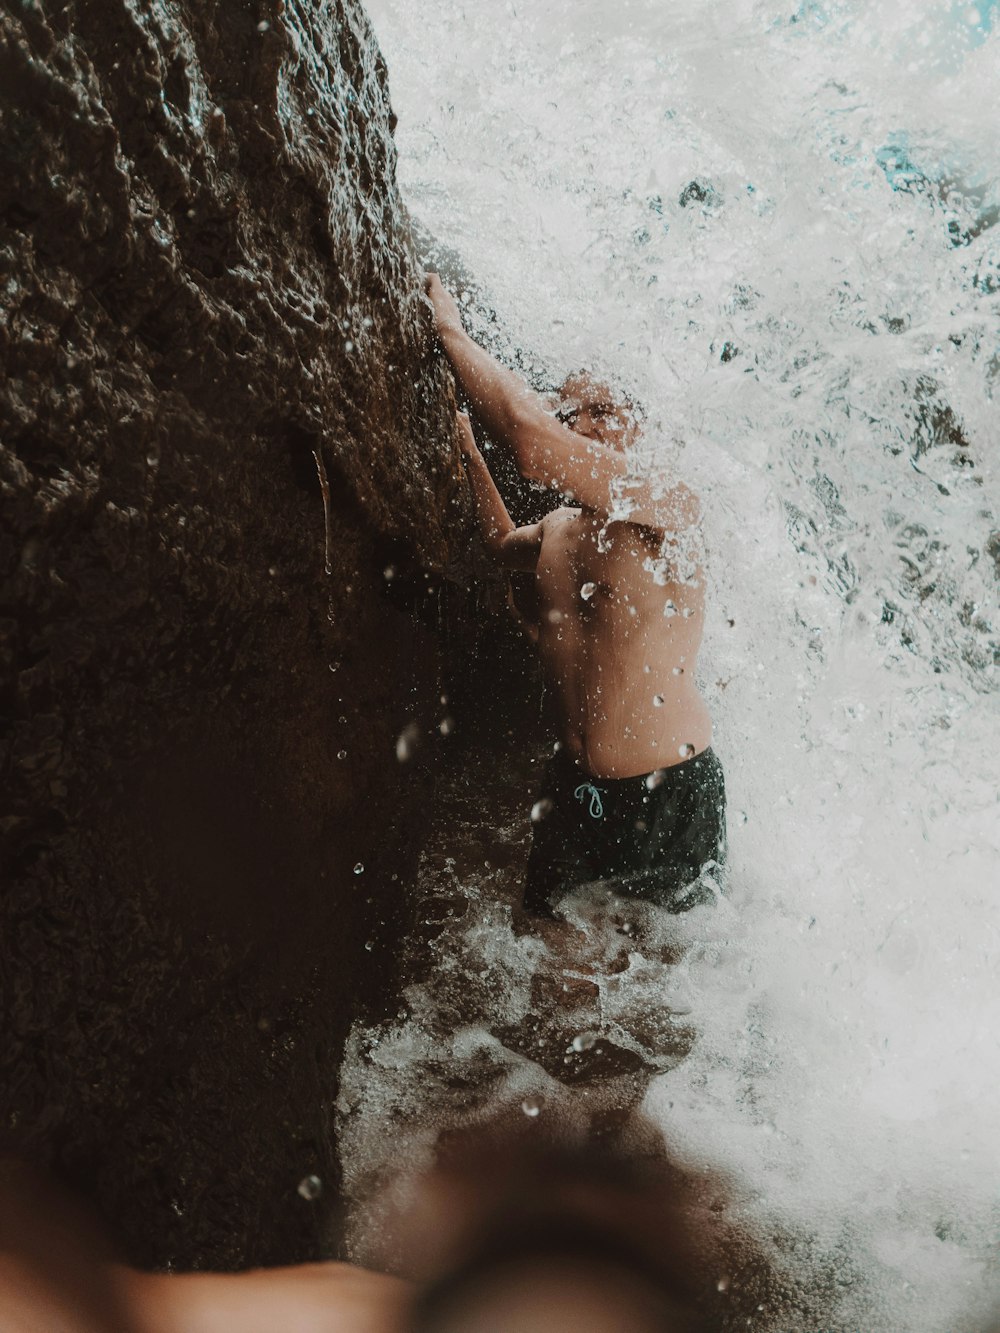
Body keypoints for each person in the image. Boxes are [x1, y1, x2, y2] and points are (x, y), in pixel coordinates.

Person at [425, 274, 726, 923]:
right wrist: (469, 452)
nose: (583, 425)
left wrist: (451, 333)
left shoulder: (672, 505)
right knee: (543, 968)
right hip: (576, 788)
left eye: (604, 411)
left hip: (669, 792)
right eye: (572, 414)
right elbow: (504, 541)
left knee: (664, 1003)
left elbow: (533, 447)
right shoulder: (559, 528)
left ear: (641, 427)